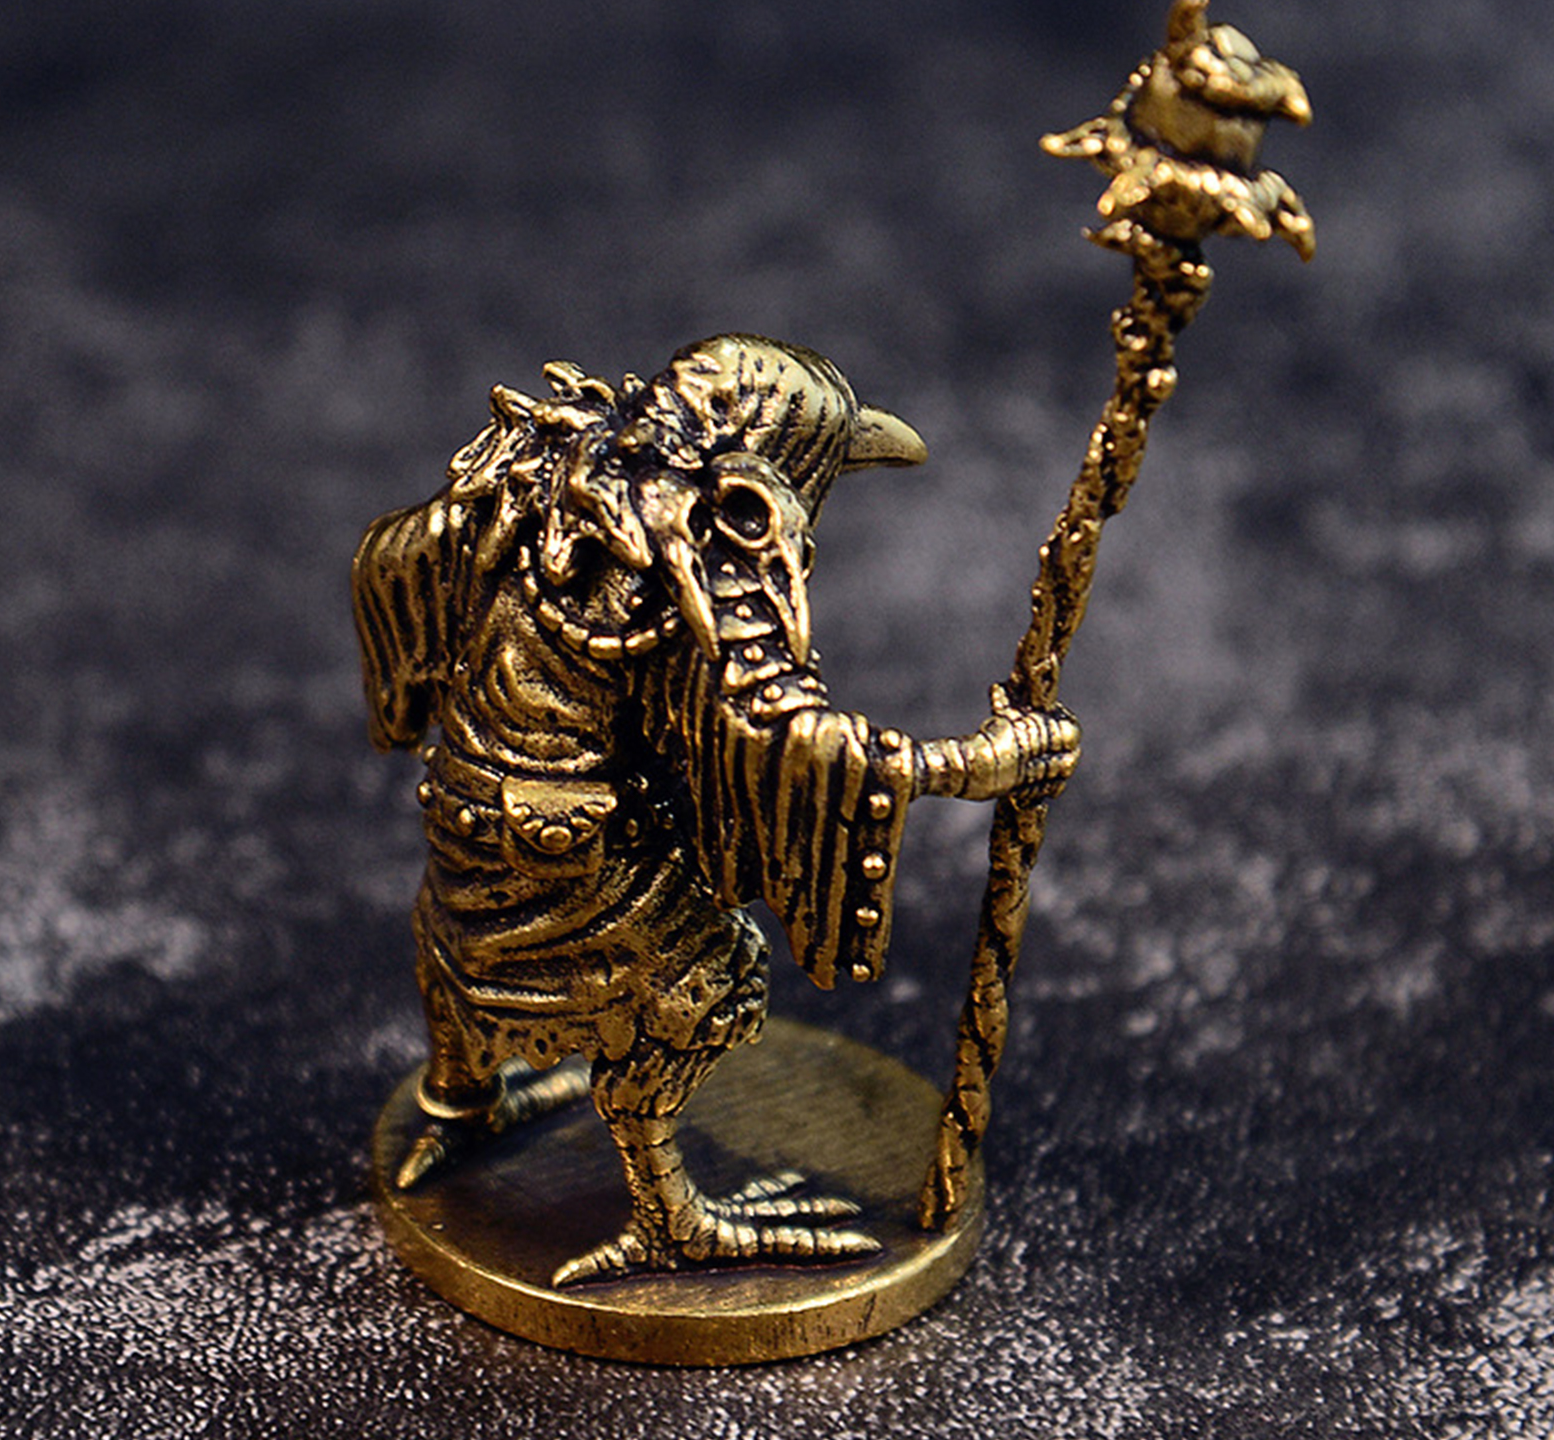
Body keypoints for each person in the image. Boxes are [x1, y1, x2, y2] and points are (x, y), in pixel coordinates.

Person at [354, 333, 1079, 1284]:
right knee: (705, 979)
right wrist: (980, 764)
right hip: (581, 842)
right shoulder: (706, 535)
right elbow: (789, 735)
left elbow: (393, 561)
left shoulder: (528, 480)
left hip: (460, 805)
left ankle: (460, 1101)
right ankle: (670, 1220)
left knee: (457, 936)